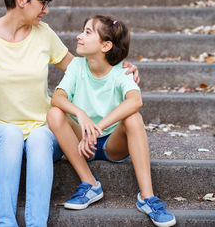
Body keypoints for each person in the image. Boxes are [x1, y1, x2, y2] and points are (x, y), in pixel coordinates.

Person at [0, 0, 139, 227]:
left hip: (43, 129)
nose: (46, 10)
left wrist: (119, 68)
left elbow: (83, 69)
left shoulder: (44, 33)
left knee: (39, 135)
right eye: (43, 3)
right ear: (22, 0)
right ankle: (4, 222)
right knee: (11, 133)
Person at [47, 15, 176, 227]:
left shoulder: (122, 71)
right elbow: (57, 97)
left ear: (106, 45)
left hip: (112, 144)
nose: (79, 36)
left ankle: (147, 197)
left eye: (88, 32)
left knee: (133, 118)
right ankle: (90, 184)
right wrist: (81, 114)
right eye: (83, 30)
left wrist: (98, 127)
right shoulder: (76, 67)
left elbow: (135, 101)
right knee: (54, 113)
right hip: (81, 141)